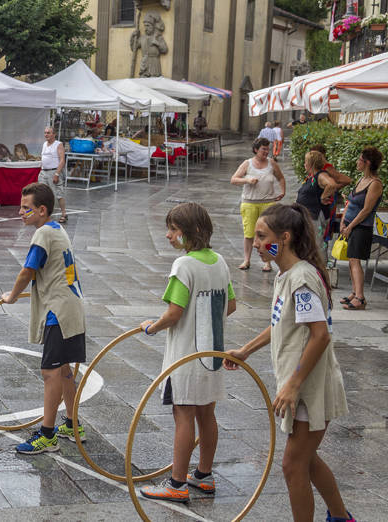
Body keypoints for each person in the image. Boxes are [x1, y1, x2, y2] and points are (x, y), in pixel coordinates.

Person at [225, 203, 352, 522]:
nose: (255, 243)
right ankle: (341, 517)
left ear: (284, 237)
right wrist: (246, 350)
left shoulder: (302, 279)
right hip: (301, 383)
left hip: (310, 386)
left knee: (292, 465)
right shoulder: (287, 275)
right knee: (306, 461)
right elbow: (282, 322)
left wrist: (294, 385)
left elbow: (319, 336)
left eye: (261, 236)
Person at [138, 202, 236, 503]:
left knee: (183, 416)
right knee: (207, 415)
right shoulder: (219, 261)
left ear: (190, 233)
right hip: (212, 356)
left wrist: (151, 327)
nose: (168, 235)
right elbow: (230, 306)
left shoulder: (184, 265)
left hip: (185, 357)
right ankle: (204, 476)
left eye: (173, 230)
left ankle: (177, 484)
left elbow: (174, 313)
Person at [1, 182, 86, 454]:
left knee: (50, 372)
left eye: (26, 208)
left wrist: (12, 296)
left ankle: (47, 435)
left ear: (41, 210)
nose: (20, 212)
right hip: (71, 307)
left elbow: (27, 271)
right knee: (63, 371)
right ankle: (72, 425)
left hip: (58, 312)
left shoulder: (42, 236)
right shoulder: (56, 229)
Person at [230, 137, 286, 272]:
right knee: (249, 233)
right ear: (256, 150)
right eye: (264, 149)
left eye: (268, 149)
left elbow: (281, 178)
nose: (267, 152)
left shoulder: (272, 163)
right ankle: (246, 260)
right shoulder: (247, 164)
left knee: (269, 234)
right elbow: (233, 179)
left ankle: (268, 262)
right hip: (249, 203)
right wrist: (247, 180)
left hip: (268, 203)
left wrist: (283, 191)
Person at [340, 146, 384, 311]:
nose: (357, 162)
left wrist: (350, 226)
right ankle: (354, 292)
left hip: (361, 227)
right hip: (350, 225)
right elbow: (350, 202)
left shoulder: (375, 184)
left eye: (360, 160)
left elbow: (366, 209)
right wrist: (344, 221)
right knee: (352, 260)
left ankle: (360, 297)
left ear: (367, 163)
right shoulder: (360, 180)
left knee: (356, 260)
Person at [296, 151, 336, 251]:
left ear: (311, 163)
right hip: (309, 216)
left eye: (306, 161)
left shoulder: (320, 175)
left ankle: (319, 266)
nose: (304, 164)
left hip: (316, 216)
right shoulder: (312, 176)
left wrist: (323, 197)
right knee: (309, 245)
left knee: (317, 246)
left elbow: (332, 184)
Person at [37, 127, 68, 223]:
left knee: (58, 194)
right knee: (42, 193)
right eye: (45, 133)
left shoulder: (58, 144)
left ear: (54, 134)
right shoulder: (44, 144)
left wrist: (57, 174)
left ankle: (64, 214)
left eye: (48, 133)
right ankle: (45, 214)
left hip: (53, 171)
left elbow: (62, 160)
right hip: (43, 172)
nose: (46, 135)